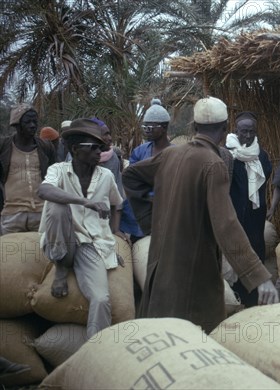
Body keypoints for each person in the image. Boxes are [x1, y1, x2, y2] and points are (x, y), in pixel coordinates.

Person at [122, 96, 278, 333]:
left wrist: (152, 219)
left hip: (162, 260)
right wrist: (259, 276)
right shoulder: (213, 164)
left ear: (194, 127)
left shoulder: (170, 155)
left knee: (161, 330)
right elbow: (226, 226)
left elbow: (130, 176)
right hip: (193, 270)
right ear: (225, 129)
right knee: (197, 334)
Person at [37, 118, 123, 339]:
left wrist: (112, 239)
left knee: (102, 299)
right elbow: (44, 191)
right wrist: (84, 202)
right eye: (93, 148)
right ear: (75, 150)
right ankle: (61, 269)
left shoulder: (106, 176)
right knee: (57, 207)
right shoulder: (59, 170)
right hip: (61, 238)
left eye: (101, 148)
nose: (99, 152)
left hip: (90, 244)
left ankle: (96, 350)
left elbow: (116, 205)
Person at [226, 111, 272, 307]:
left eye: (251, 132)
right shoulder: (228, 154)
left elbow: (266, 175)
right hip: (233, 216)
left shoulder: (261, 155)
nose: (247, 136)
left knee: (255, 251)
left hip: (255, 217)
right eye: (243, 131)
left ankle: (252, 299)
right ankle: (233, 298)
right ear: (236, 131)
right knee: (233, 255)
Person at [121, 99, 172, 242]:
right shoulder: (139, 152)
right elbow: (132, 182)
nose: (147, 130)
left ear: (164, 127)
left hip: (168, 211)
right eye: (145, 126)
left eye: (151, 126)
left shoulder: (176, 153)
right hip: (141, 210)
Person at [0, 104, 56, 234]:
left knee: (41, 252)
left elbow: (55, 176)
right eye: (27, 122)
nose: (32, 125)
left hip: (41, 212)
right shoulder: (3, 147)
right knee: (9, 252)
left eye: (35, 122)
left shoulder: (46, 147)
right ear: (17, 125)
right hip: (11, 214)